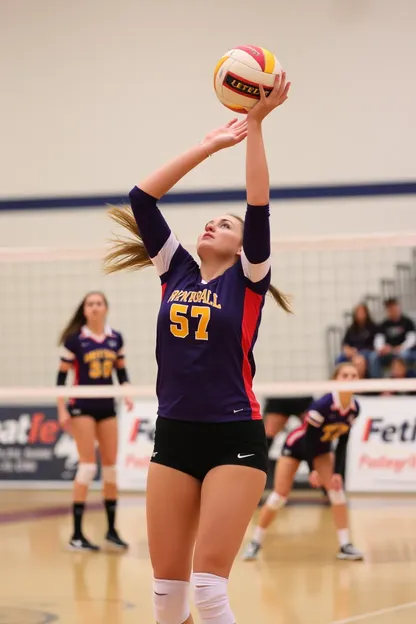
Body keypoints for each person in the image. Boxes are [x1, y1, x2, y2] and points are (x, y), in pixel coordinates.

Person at [104, 74, 290, 624]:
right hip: (176, 432)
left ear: (241, 244)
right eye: (211, 219)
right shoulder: (175, 269)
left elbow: (258, 201)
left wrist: (254, 126)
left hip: (234, 433)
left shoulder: (249, 278)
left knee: (209, 589)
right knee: (168, 598)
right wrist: (209, 146)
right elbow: (142, 196)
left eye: (225, 223)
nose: (214, 223)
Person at [243, 362, 364, 563]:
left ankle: (345, 545)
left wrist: (337, 473)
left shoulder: (354, 408)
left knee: (337, 492)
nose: (350, 380)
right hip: (297, 447)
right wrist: (312, 469)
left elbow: (343, 441)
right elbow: (309, 439)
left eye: (354, 376)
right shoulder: (323, 406)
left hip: (322, 449)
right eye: (345, 375)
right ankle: (255, 542)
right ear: (336, 380)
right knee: (279, 496)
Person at [57, 291, 133, 551]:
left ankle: (111, 531)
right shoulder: (75, 340)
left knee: (111, 469)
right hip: (82, 407)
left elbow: (121, 372)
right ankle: (76, 534)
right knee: (88, 467)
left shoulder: (115, 338)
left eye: (98, 303)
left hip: (106, 406)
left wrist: (128, 393)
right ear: (85, 310)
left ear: (106, 308)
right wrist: (62, 409)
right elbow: (60, 379)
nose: (95, 307)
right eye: (90, 304)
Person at [370, 297, 416, 377]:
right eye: (389, 308)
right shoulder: (384, 324)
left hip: (404, 350)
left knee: (403, 355)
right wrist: (382, 348)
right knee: (373, 356)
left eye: (394, 307)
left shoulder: (407, 322)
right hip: (389, 351)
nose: (392, 310)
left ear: (398, 307)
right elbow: (378, 340)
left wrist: (401, 347)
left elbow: (412, 340)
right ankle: (376, 384)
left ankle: (407, 381)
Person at [336, 303, 377, 370]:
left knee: (359, 360)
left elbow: (375, 344)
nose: (360, 314)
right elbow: (345, 343)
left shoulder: (373, 327)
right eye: (358, 312)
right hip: (353, 351)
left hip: (367, 351)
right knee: (340, 358)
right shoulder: (351, 328)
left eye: (362, 312)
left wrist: (357, 352)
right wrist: (348, 350)